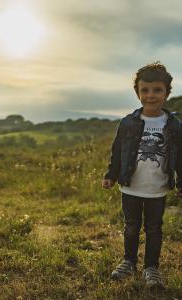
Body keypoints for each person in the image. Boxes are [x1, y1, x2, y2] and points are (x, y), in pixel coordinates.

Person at [102, 62, 182, 288]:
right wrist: (111, 174)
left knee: (155, 228)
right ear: (137, 92)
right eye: (144, 90)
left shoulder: (174, 125)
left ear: (167, 92)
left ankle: (151, 267)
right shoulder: (128, 122)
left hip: (158, 188)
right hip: (130, 186)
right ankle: (128, 261)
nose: (150, 95)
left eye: (157, 90)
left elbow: (181, 157)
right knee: (131, 226)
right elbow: (118, 151)